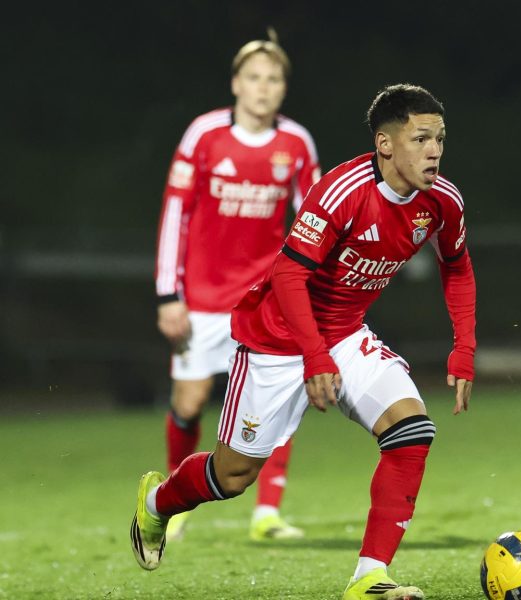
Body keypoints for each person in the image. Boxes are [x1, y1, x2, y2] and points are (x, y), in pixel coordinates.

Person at [133, 83, 476, 600]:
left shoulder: (442, 201)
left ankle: (369, 579)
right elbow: (289, 276)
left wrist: (464, 348)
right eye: (422, 138)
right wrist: (313, 358)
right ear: (385, 144)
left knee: (412, 433)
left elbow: (458, 266)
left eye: (441, 139)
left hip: (345, 335)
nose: (435, 151)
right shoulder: (342, 189)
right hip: (278, 338)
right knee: (232, 476)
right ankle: (157, 504)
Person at [153, 29, 321, 543]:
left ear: (283, 89)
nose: (263, 88)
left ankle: (267, 512)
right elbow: (175, 211)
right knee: (189, 401)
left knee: (272, 402)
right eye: (254, 78)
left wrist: (312, 290)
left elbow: (315, 216)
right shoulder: (203, 135)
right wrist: (167, 294)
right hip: (201, 299)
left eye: (273, 79)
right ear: (236, 83)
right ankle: (178, 501)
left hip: (263, 300)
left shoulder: (296, 143)